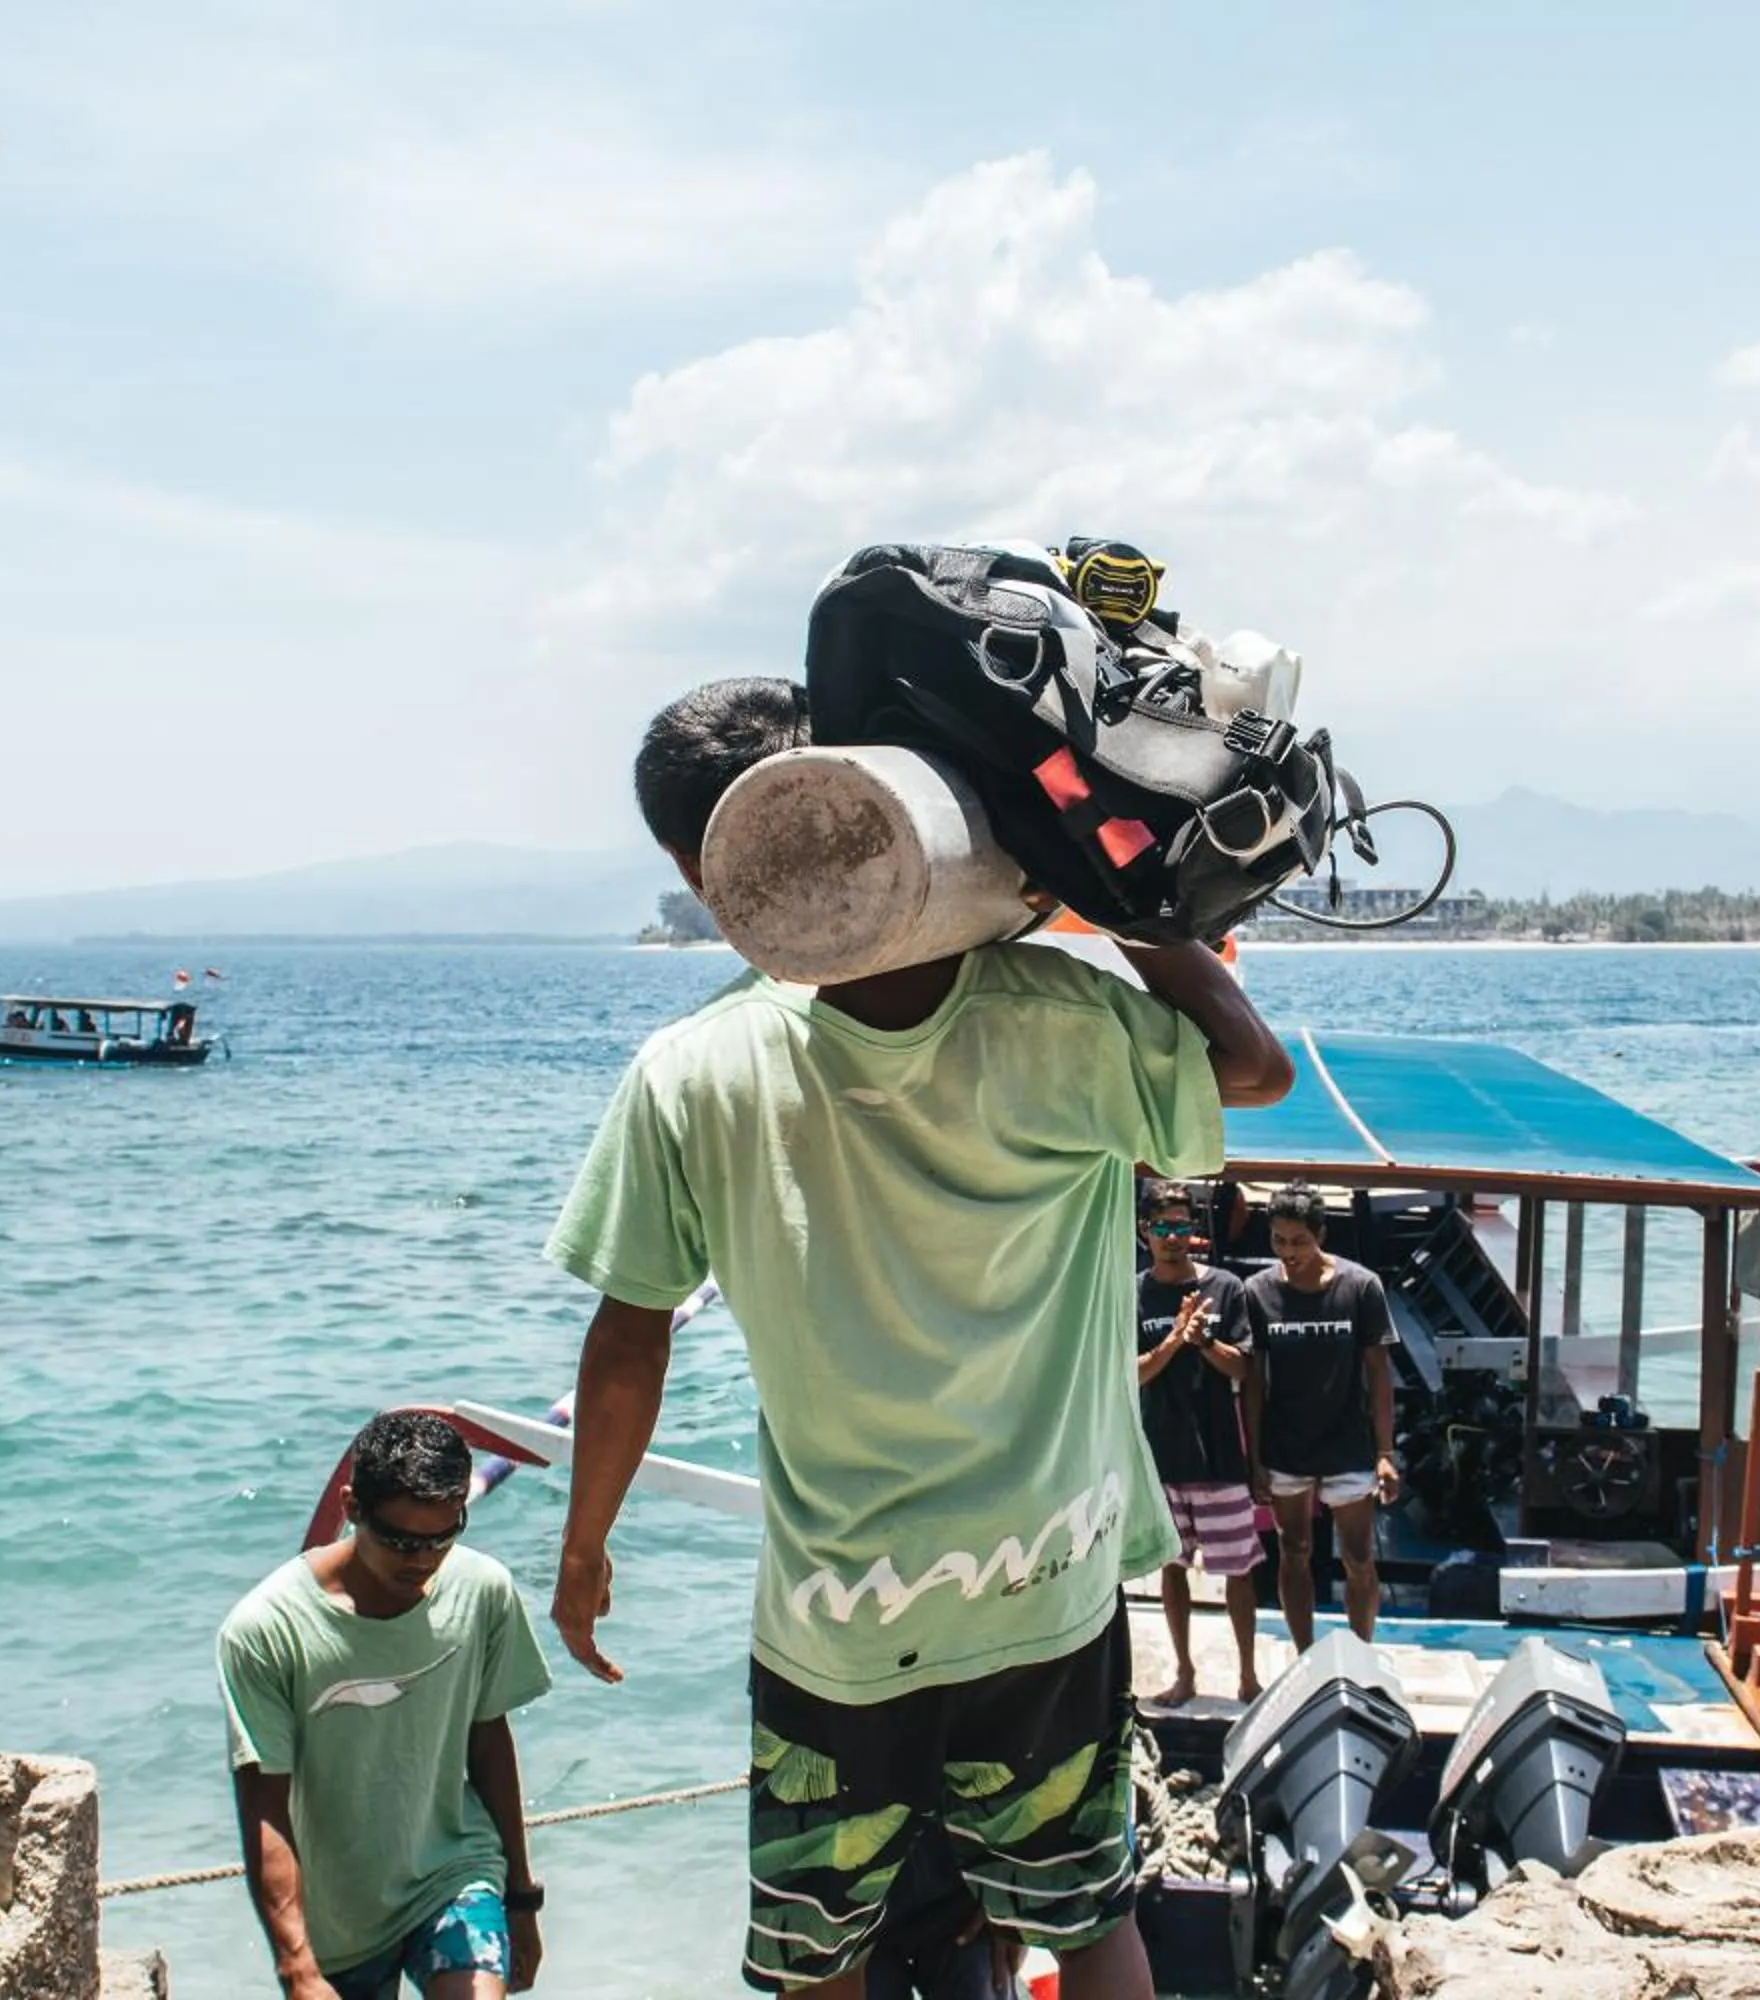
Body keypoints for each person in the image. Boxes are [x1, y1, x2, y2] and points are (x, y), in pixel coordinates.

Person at [545, 677, 1292, 1999]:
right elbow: (1250, 1063)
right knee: (1086, 1918)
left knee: (818, 1952)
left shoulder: (691, 1071)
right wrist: (1105, 874)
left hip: (843, 1613)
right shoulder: (1064, 1011)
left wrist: (586, 1545)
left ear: (696, 866)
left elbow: (630, 1337)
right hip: (1048, 1582)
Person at [219, 1410, 551, 1999]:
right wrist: (296, 1965)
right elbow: (264, 1804)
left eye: (443, 1537)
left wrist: (521, 1897)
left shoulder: (483, 1591)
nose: (421, 1560)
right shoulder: (265, 1628)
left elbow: (489, 1740)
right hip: (338, 1919)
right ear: (350, 1508)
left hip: (455, 1873)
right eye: (399, 1540)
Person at [1240, 1185, 1400, 1647]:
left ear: (1321, 1235)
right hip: (1286, 1446)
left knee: (1358, 1557)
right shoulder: (1258, 1292)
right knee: (1294, 1551)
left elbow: (1379, 1373)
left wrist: (1385, 1451)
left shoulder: (1361, 1287)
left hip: (1348, 1444)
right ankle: (1305, 1655)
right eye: (1278, 1241)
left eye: (1298, 1241)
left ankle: (1361, 1652)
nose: (1288, 1252)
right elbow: (1254, 1381)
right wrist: (1255, 1459)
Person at [1132, 1179, 1262, 1705]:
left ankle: (1248, 1677)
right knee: (1172, 1569)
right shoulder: (1132, 1293)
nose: (1173, 1238)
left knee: (1239, 1573)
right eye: (1163, 1228)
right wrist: (1173, 1340)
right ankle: (1183, 1674)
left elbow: (1243, 1366)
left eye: (1182, 1227)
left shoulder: (1226, 1288)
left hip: (1219, 1457)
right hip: (1159, 1456)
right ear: (1145, 1232)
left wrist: (1205, 1339)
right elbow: (1132, 1374)